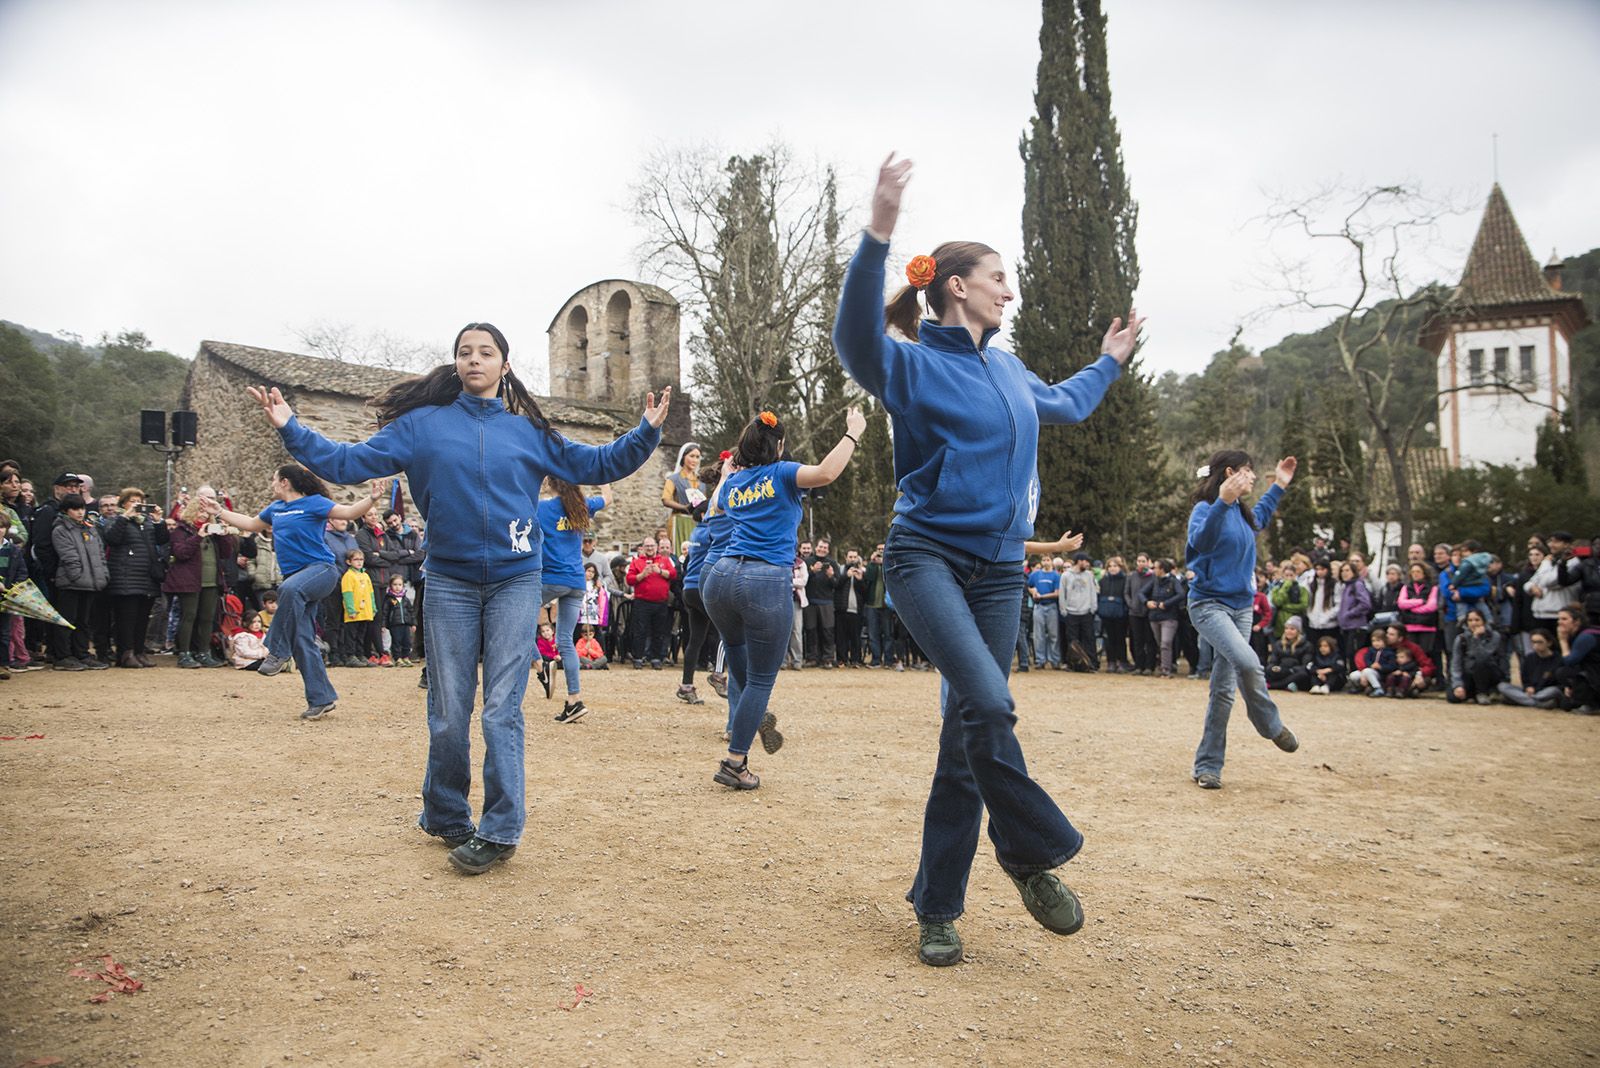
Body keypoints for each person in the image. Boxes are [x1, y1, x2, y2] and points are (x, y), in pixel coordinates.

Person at [832, 153, 1141, 968]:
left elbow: (1067, 402)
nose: (1011, 289)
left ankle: (937, 909)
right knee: (993, 705)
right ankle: (1030, 854)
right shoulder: (913, 363)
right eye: (999, 277)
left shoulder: (1008, 369)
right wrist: (879, 233)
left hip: (1002, 571)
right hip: (927, 558)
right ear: (957, 286)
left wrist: (1109, 360)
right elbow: (854, 339)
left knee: (966, 738)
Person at [248, 321, 669, 875]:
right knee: (448, 709)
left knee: (501, 708)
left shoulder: (527, 432)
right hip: (448, 581)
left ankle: (499, 829)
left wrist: (645, 430)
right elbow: (346, 462)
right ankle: (446, 814)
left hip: (518, 580)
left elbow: (595, 465)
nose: (475, 360)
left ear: (505, 366)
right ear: (456, 364)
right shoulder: (421, 426)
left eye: (486, 352)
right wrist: (291, 427)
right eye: (465, 352)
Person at [701, 406, 866, 790]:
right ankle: (734, 762)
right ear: (779, 447)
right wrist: (853, 433)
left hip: (721, 578)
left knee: (741, 665)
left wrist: (726, 474)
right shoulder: (784, 472)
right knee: (760, 680)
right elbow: (826, 473)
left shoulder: (733, 484)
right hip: (764, 579)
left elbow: (718, 507)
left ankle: (750, 716)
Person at [207, 466, 382, 718]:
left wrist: (373, 497)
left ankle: (277, 651)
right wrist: (220, 511)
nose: (271, 484)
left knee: (288, 589)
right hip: (295, 580)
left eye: (273, 479)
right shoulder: (275, 509)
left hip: (321, 570)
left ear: (285, 482)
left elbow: (349, 511)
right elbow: (251, 523)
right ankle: (321, 698)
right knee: (302, 638)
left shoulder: (315, 503)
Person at [1183, 451, 1301, 789]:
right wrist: (1221, 501)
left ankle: (1207, 766)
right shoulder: (1206, 509)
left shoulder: (1243, 514)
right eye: (1248, 472)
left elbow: (1261, 514)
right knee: (1248, 664)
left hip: (1242, 608)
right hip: (1209, 606)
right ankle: (1270, 725)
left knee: (1223, 691)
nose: (1252, 478)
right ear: (1230, 473)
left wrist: (1279, 485)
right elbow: (1200, 543)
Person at [537, 478, 610, 722]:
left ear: (551, 483)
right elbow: (608, 498)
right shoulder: (582, 505)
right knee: (566, 640)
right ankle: (574, 700)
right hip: (576, 580)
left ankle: (541, 667)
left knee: (516, 621)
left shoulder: (542, 507)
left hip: (550, 578)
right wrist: (604, 477)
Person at [676, 453, 727, 704]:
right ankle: (718, 674)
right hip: (703, 587)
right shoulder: (712, 531)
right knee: (727, 631)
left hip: (689, 589)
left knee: (695, 639)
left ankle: (686, 686)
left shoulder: (696, 531)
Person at [101, 487, 167, 669]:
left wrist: (159, 520)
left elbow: (162, 540)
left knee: (142, 618)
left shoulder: (146, 522)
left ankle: (139, 651)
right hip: (126, 577)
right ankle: (125, 653)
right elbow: (112, 539)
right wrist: (125, 517)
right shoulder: (115, 520)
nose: (138, 505)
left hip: (146, 577)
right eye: (133, 501)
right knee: (126, 619)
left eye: (140, 501)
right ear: (123, 504)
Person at [50, 494, 111, 670]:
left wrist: (102, 575)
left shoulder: (90, 528)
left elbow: (100, 554)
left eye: (82, 508)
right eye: (75, 509)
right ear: (65, 510)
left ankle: (81, 653)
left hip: (91, 582)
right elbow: (69, 557)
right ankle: (63, 656)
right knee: (67, 620)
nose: (80, 512)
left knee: (83, 621)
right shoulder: (60, 530)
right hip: (71, 583)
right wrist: (77, 576)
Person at [625, 535, 676, 669]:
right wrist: (642, 575)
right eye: (647, 546)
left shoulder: (664, 560)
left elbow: (673, 574)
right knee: (640, 631)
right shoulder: (636, 562)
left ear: (656, 547)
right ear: (643, 548)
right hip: (642, 602)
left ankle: (656, 658)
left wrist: (659, 571)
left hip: (660, 602)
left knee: (659, 631)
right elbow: (629, 579)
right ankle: (638, 658)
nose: (649, 548)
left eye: (652, 546)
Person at [1448, 607, 1504, 705]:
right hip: (1469, 674)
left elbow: (1483, 656)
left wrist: (1476, 639)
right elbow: (1456, 663)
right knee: (1453, 697)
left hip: (1488, 673)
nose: (1474, 623)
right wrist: (1458, 685)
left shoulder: (1494, 636)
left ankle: (1483, 692)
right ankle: (1471, 693)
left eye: (1477, 620)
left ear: (1483, 621)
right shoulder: (1461, 638)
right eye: (1470, 620)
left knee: (1480, 663)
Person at [1498, 629, 1560, 708]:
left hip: (1545, 690)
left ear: (1549, 643)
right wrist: (1528, 687)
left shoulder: (1557, 659)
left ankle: (1520, 700)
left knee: (1553, 691)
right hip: (1530, 690)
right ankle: (1537, 703)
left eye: (1540, 642)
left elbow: (1554, 681)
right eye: (1533, 642)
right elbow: (1525, 678)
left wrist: (1536, 690)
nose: (1536, 645)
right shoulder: (1529, 658)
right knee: (1502, 686)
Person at [1554, 604, 1600, 713]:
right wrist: (1567, 685)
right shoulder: (1578, 634)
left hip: (1595, 675)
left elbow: (1570, 661)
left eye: (1564, 619)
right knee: (1566, 705)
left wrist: (1563, 641)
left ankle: (1592, 704)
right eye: (1559, 619)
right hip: (1592, 672)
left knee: (1563, 672)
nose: (1559, 622)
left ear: (1576, 621)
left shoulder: (1586, 636)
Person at [340, 548, 381, 664]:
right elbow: (347, 594)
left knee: (361, 635)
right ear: (349, 562)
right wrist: (350, 609)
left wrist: (373, 607)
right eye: (356, 559)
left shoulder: (366, 576)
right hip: (354, 613)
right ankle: (350, 655)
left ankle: (360, 654)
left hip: (365, 612)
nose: (359, 562)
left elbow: (371, 593)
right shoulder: (348, 576)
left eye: (361, 559)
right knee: (351, 635)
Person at [662, 442, 704, 556]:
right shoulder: (673, 479)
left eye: (697, 457)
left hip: (696, 522)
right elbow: (665, 500)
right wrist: (684, 507)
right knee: (679, 551)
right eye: (691, 456)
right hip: (679, 520)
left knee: (695, 552)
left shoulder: (701, 481)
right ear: (683, 457)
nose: (694, 460)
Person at [803, 538, 839, 668]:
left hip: (827, 602)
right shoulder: (807, 562)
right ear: (816, 547)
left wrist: (830, 576)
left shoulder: (833, 563)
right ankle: (812, 658)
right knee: (811, 630)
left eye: (825, 547)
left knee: (827, 631)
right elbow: (802, 580)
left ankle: (828, 658)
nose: (822, 549)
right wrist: (812, 571)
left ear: (828, 550)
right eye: (820, 546)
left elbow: (837, 584)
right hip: (810, 602)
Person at [1146, 559, 1184, 678]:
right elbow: (1141, 593)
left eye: (1155, 568)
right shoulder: (1154, 581)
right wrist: (1146, 602)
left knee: (1165, 643)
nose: (1153, 570)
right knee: (1160, 643)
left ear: (1162, 569)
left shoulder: (1173, 581)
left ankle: (1166, 669)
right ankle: (1164, 664)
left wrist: (1166, 603)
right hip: (1155, 616)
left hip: (1169, 617)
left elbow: (1181, 594)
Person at [1059, 553, 1098, 669]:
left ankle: (1092, 663)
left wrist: (1093, 607)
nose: (1087, 564)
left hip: (1086, 611)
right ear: (1080, 561)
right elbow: (1062, 593)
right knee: (1072, 640)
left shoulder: (1089, 575)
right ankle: (1073, 664)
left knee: (1089, 638)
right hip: (1071, 612)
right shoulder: (1066, 575)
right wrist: (1063, 609)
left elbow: (1093, 591)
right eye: (1085, 562)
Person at [1026, 554, 1061, 669]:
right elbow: (1029, 586)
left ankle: (1054, 660)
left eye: (1048, 560)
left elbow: (1057, 593)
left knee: (1053, 635)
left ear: (1051, 562)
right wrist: (1033, 592)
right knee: (1038, 635)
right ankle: (1040, 660)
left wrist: (1042, 596)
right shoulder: (1035, 574)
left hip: (1051, 606)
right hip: (1038, 607)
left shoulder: (1056, 576)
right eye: (1043, 560)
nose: (1045, 562)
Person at [1097, 556, 1130, 673]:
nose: (1112, 568)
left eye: (1115, 566)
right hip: (1106, 614)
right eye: (1110, 566)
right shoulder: (1103, 581)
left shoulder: (1126, 580)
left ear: (1120, 567)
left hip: (1121, 614)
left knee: (1120, 639)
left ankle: (1122, 662)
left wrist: (1125, 610)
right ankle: (1111, 662)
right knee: (1109, 639)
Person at [1335, 560, 1372, 664]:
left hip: (1356, 627)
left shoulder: (1357, 585)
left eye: (1347, 570)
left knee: (1354, 655)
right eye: (1342, 571)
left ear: (1353, 572)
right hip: (1346, 627)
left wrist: (1350, 613)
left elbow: (1365, 604)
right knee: (1347, 654)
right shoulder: (1345, 587)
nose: (1344, 573)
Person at [1264, 619, 1312, 692]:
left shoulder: (1306, 645)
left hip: (1294, 672)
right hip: (1281, 670)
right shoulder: (1278, 644)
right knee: (1268, 670)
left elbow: (1305, 665)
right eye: (1286, 628)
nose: (1288, 631)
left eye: (1292, 629)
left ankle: (1273, 685)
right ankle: (1287, 685)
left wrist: (1291, 670)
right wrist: (1273, 667)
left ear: (1298, 631)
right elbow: (1273, 661)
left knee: (1303, 674)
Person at [384, 574, 416, 666]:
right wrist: (384, 625)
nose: (397, 587)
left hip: (406, 624)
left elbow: (411, 611)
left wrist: (413, 623)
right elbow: (385, 613)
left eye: (399, 585)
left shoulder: (405, 599)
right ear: (390, 586)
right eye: (395, 584)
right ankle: (397, 658)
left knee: (407, 641)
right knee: (396, 641)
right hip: (395, 624)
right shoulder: (389, 599)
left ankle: (406, 657)